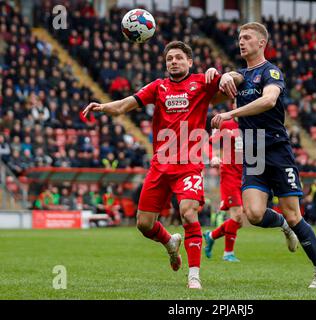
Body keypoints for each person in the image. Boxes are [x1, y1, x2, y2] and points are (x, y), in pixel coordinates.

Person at [83, 41, 242, 289]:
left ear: (189, 61)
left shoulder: (201, 82)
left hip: (189, 163)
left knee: (188, 213)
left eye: (179, 57)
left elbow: (236, 81)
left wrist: (222, 74)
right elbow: (126, 104)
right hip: (161, 164)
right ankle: (170, 243)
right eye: (170, 59)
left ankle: (194, 276)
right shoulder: (158, 87)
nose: (174, 62)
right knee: (144, 224)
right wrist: (103, 107)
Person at [209, 22, 316, 288]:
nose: (241, 42)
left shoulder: (271, 72)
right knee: (253, 214)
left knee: (294, 214)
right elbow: (232, 80)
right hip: (252, 153)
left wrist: (231, 113)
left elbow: (268, 101)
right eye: (240, 38)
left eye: (247, 38)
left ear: (261, 42)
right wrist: (221, 75)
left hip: (276, 150)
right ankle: (284, 227)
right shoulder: (241, 75)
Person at [203, 117, 244, 262]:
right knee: (237, 215)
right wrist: (213, 157)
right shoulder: (225, 123)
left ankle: (211, 236)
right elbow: (208, 143)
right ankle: (228, 254)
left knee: (239, 221)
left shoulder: (254, 121)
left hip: (247, 176)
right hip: (230, 175)